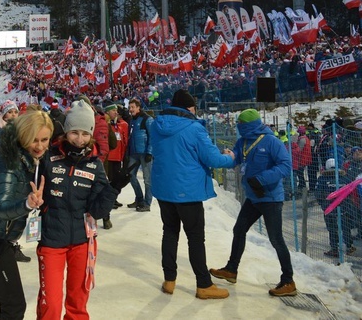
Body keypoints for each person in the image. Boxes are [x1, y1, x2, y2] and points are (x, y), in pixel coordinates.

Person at [149, 90, 235, 299]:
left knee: (169, 232)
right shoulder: (194, 128)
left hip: (163, 189)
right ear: (189, 108)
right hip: (187, 192)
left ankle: (170, 280)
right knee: (196, 239)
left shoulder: (155, 125)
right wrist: (231, 158)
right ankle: (203, 284)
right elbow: (213, 159)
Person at [37, 100, 117, 319]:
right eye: (74, 133)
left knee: (77, 305)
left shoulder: (94, 164)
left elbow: (97, 210)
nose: (79, 140)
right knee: (50, 306)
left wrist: (114, 188)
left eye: (84, 134)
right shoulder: (49, 157)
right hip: (52, 240)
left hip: (82, 243)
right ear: (66, 131)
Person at [0, 111, 52, 319]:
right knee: (14, 305)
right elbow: (0, 208)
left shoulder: (25, 158)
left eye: (44, 139)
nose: (40, 146)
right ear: (23, 135)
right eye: (34, 139)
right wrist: (27, 203)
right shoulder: (10, 162)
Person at [210, 108, 297, 297]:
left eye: (241, 125)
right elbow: (236, 157)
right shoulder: (243, 141)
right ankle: (231, 269)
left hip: (270, 198)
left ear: (249, 125)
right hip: (253, 197)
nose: (238, 128)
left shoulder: (271, 141)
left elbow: (285, 165)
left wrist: (262, 179)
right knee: (239, 229)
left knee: (276, 239)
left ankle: (288, 281)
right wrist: (228, 156)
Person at [315, 158, 356, 258]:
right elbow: (351, 192)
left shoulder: (322, 179)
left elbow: (318, 194)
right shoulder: (345, 177)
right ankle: (349, 247)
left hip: (329, 208)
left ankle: (334, 249)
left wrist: (323, 205)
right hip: (345, 208)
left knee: (332, 229)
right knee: (345, 227)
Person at [126, 98, 153, 212]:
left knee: (147, 179)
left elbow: (152, 136)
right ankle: (139, 199)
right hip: (134, 153)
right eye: (129, 107)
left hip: (144, 153)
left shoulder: (147, 119)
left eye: (132, 107)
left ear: (138, 107)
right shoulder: (132, 120)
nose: (130, 109)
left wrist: (149, 152)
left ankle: (147, 203)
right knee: (130, 175)